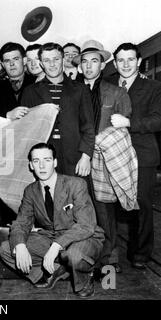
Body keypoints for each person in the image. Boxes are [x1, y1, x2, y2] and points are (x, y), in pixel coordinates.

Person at [0, 143, 104, 298]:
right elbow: (22, 223)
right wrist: (20, 245)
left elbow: (86, 225)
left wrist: (56, 245)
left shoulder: (76, 184)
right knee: (7, 249)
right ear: (31, 165)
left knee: (74, 255)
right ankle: (53, 270)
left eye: (47, 160)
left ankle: (84, 277)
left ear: (55, 162)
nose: (42, 165)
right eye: (36, 161)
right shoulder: (31, 190)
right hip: (51, 236)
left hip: (83, 237)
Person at [73, 40, 132, 273]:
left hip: (104, 160)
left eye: (94, 61)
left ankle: (109, 260)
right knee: (79, 209)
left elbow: (122, 128)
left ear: (103, 64)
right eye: (84, 62)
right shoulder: (74, 90)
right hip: (79, 157)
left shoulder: (116, 92)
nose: (89, 66)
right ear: (79, 66)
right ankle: (84, 257)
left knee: (104, 209)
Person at [107, 43, 161, 269]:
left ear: (139, 61)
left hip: (142, 155)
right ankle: (110, 256)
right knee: (110, 205)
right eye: (121, 60)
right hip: (112, 155)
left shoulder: (153, 87)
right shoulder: (107, 85)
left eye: (130, 59)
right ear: (115, 63)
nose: (126, 64)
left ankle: (141, 253)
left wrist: (129, 123)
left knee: (142, 205)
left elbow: (158, 120)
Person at [20, 42, 95, 178]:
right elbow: (26, 130)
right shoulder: (30, 92)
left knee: (75, 196)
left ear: (63, 60)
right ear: (41, 64)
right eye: (47, 60)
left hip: (75, 157)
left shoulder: (80, 89)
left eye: (56, 59)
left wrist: (86, 157)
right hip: (43, 157)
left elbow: (88, 126)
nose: (52, 64)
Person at [0, 42, 36, 120]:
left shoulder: (36, 82)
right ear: (3, 64)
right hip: (7, 131)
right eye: (7, 61)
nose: (11, 64)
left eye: (16, 59)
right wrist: (7, 115)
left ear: (24, 60)